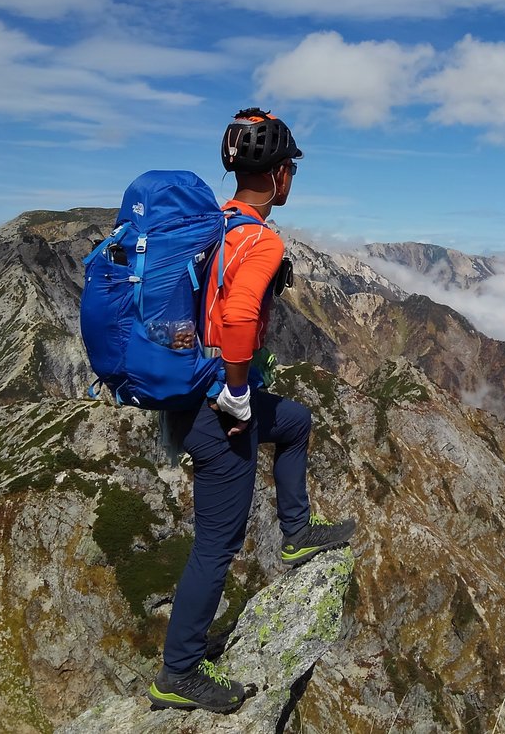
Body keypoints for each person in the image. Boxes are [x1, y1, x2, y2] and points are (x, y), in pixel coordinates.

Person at [148, 108, 356, 714]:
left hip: (194, 395)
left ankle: (296, 534)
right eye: (290, 168)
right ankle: (177, 672)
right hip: (218, 410)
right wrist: (238, 393)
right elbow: (238, 317)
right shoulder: (260, 238)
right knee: (217, 543)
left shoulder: (215, 226)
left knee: (295, 423)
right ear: (281, 175)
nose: (291, 178)